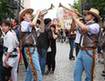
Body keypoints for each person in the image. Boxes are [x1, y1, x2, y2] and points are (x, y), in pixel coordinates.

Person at [70, 8, 100, 81]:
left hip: (90, 52)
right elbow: (72, 29)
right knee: (76, 73)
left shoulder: (96, 26)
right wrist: (73, 20)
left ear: (93, 17)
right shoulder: (85, 24)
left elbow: (84, 28)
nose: (86, 15)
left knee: (89, 76)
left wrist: (75, 18)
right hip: (81, 50)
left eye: (88, 14)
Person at [19, 8, 43, 81]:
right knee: (36, 70)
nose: (30, 15)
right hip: (29, 49)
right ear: (23, 17)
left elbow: (42, 30)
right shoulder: (24, 23)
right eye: (28, 13)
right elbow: (33, 24)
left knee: (30, 70)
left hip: (33, 49)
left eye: (30, 14)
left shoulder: (29, 24)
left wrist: (42, 18)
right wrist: (38, 13)